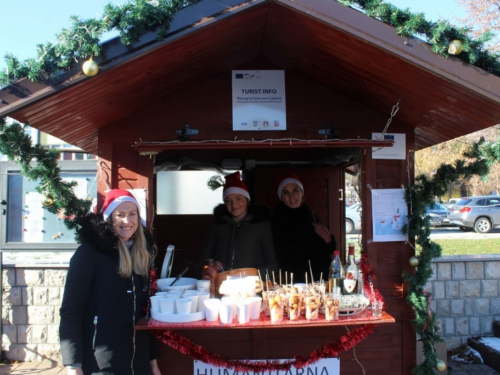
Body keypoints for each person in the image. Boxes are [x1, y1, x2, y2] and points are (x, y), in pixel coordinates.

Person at [59, 189, 161, 375]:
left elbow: (146, 313)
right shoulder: (88, 254)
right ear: (109, 219)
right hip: (101, 363)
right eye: (119, 215)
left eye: (132, 214)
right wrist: (73, 364)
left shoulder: (141, 255)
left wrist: (152, 362)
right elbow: (71, 310)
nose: (127, 221)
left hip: (139, 364)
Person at [201, 171, 278, 277]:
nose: (234, 205)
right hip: (222, 286)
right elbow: (204, 260)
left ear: (247, 199)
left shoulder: (262, 226)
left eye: (238, 198)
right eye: (228, 200)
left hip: (251, 288)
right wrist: (211, 267)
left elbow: (273, 265)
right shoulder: (216, 226)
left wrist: (250, 274)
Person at [272, 173, 336, 283]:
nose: (292, 196)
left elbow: (328, 250)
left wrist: (328, 239)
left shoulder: (308, 213)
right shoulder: (278, 219)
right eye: (286, 193)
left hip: (320, 278)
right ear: (281, 197)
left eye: (295, 190)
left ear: (301, 192)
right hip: (297, 281)